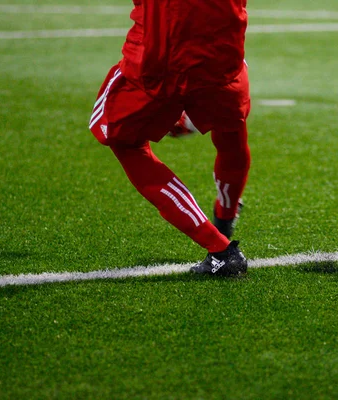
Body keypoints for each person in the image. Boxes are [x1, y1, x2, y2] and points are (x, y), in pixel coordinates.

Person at [88, 0, 251, 276]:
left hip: (158, 60)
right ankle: (225, 214)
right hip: (222, 55)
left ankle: (220, 248)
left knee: (126, 143)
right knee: (230, 128)